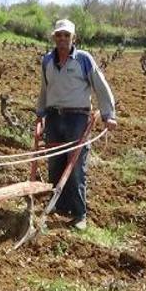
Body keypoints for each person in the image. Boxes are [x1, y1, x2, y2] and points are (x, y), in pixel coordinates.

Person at [36, 19, 117, 231]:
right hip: (54, 117)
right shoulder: (47, 61)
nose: (62, 39)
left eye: (66, 35)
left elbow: (101, 87)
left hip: (77, 118)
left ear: (74, 38)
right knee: (54, 164)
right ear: (54, 38)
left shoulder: (84, 60)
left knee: (75, 167)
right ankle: (57, 205)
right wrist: (40, 114)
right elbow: (44, 90)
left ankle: (80, 214)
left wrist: (109, 114)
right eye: (59, 35)